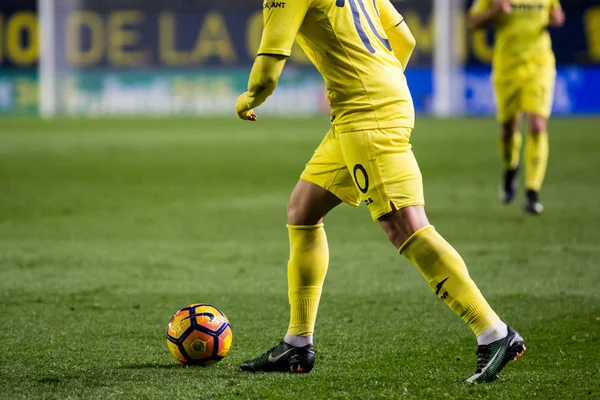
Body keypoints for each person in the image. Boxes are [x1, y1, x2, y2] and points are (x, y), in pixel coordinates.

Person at [235, 0, 525, 383]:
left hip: (365, 113)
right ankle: (297, 342)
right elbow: (403, 39)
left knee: (404, 223)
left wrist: (248, 100)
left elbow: (268, 70)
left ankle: (493, 331)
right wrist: (377, 82)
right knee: (303, 210)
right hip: (375, 102)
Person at [469, 0, 565, 214]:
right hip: (507, 67)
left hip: (539, 65)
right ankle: (511, 167)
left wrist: (556, 19)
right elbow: (472, 23)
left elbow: (556, 14)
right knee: (508, 128)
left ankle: (532, 191)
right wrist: (494, 11)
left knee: (538, 125)